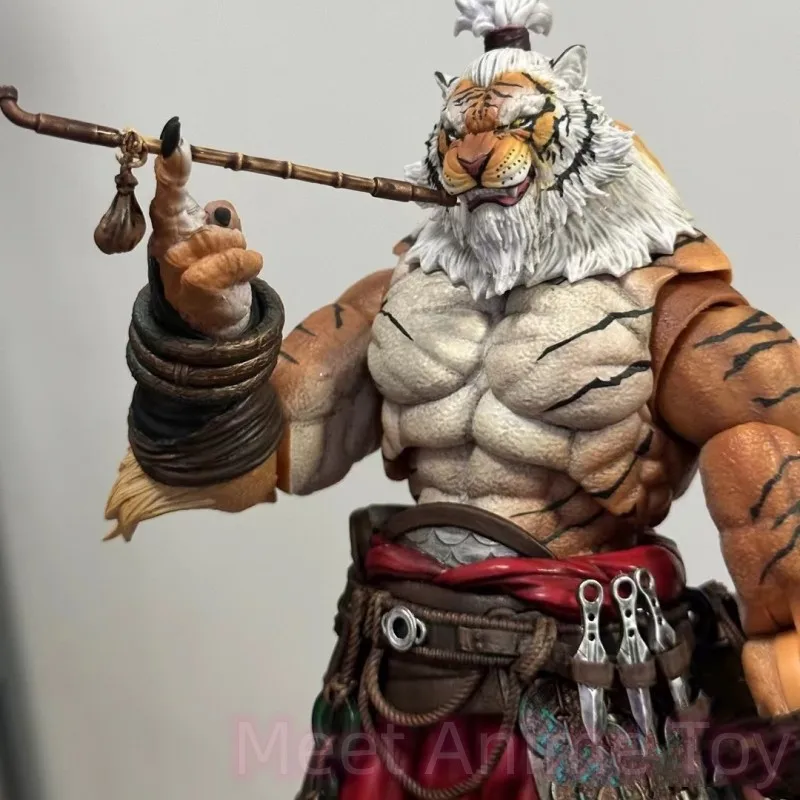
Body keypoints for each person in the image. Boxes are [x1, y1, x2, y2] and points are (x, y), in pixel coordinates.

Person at [105, 1, 800, 797]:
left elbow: (777, 439)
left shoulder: (667, 312)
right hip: (404, 677)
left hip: (591, 702)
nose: (475, 154)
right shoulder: (397, 302)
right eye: (457, 133)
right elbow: (253, 457)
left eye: (517, 126)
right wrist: (213, 323)